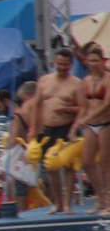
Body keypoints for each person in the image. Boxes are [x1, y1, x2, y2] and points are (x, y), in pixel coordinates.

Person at [33, 48, 83, 213]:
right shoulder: (44, 81)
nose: (62, 67)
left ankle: (68, 203)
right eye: (59, 64)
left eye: (65, 65)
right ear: (55, 62)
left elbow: (83, 109)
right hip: (47, 129)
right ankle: (58, 203)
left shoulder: (76, 83)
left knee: (68, 166)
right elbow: (37, 106)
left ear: (71, 65)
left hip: (66, 127)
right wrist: (33, 129)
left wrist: (69, 111)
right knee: (50, 167)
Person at [76, 45, 110, 214]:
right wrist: (76, 125)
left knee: (104, 164)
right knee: (87, 163)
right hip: (90, 125)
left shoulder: (108, 79)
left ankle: (109, 202)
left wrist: (90, 117)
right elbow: (83, 106)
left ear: (102, 61)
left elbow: (107, 104)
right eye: (90, 61)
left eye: (96, 61)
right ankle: (101, 198)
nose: (93, 64)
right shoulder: (86, 81)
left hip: (105, 123)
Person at [6, 81, 38, 211]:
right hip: (40, 150)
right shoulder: (42, 107)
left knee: (21, 192)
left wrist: (6, 155)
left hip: (25, 154)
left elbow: (13, 139)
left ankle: (23, 214)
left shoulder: (19, 114)